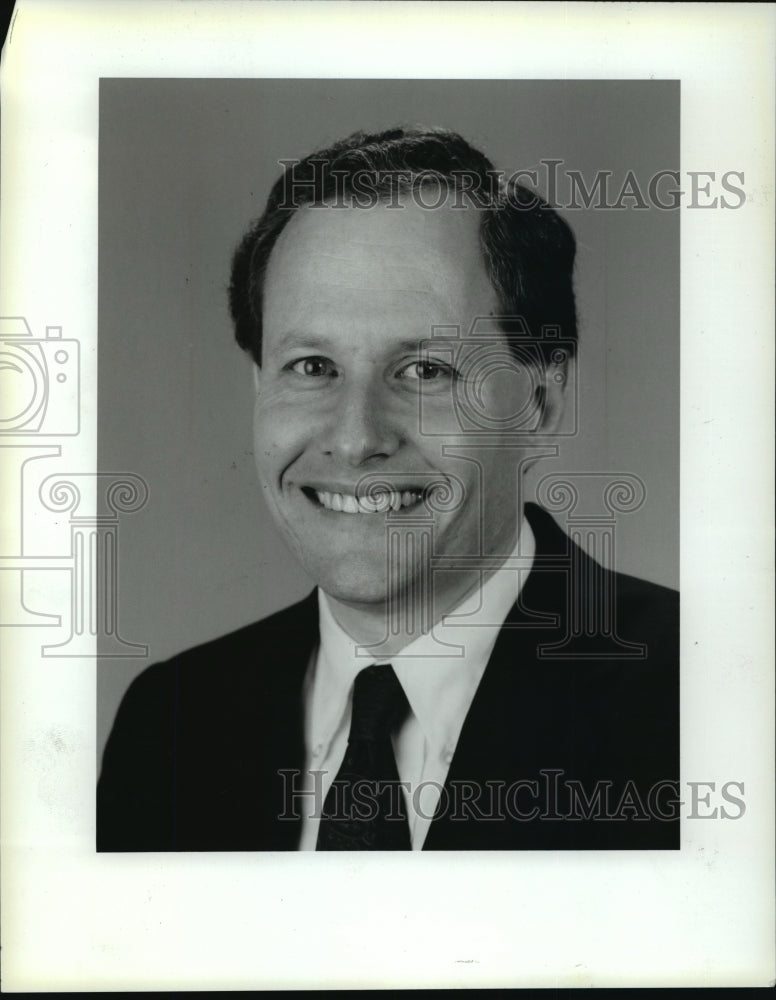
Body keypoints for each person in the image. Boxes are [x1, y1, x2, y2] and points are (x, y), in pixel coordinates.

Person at [97, 126, 679, 852]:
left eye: (425, 370)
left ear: (539, 404)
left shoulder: (699, 705)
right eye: (312, 366)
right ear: (258, 386)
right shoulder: (172, 720)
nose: (356, 436)